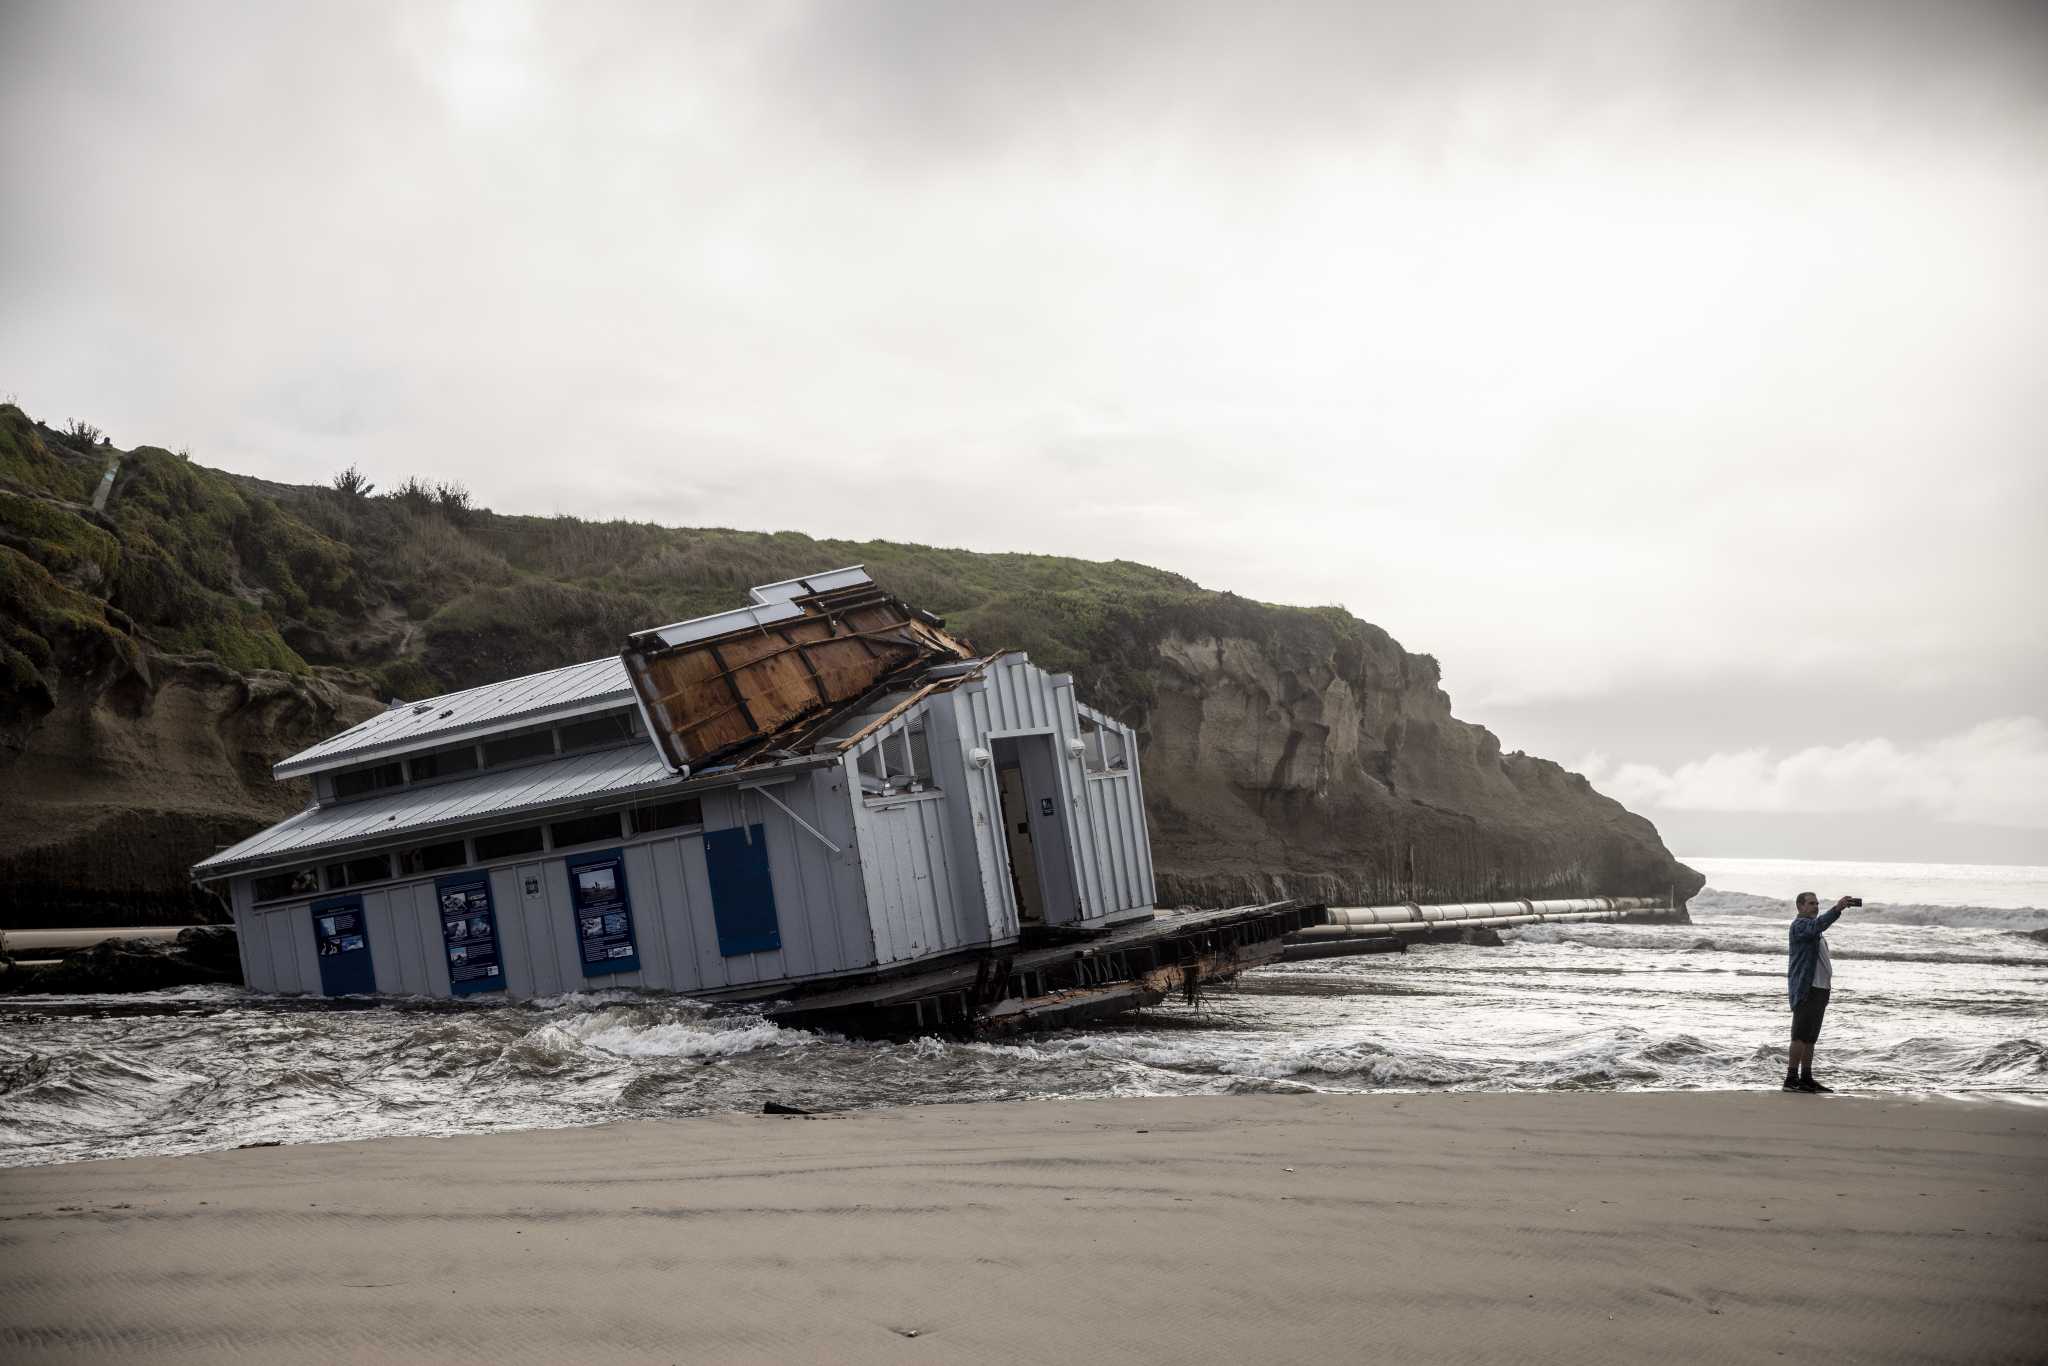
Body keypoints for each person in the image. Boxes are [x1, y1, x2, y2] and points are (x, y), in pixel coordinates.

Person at [1785, 891, 1855, 1092]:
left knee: (1810, 1037)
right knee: (1799, 1035)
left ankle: (1806, 1077)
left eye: (1817, 903)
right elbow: (1817, 925)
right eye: (1811, 903)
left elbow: (1817, 928)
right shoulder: (1800, 926)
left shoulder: (1815, 930)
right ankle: (1791, 1079)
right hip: (1807, 988)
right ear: (1800, 906)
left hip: (1821, 988)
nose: (1815, 906)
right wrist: (1837, 909)